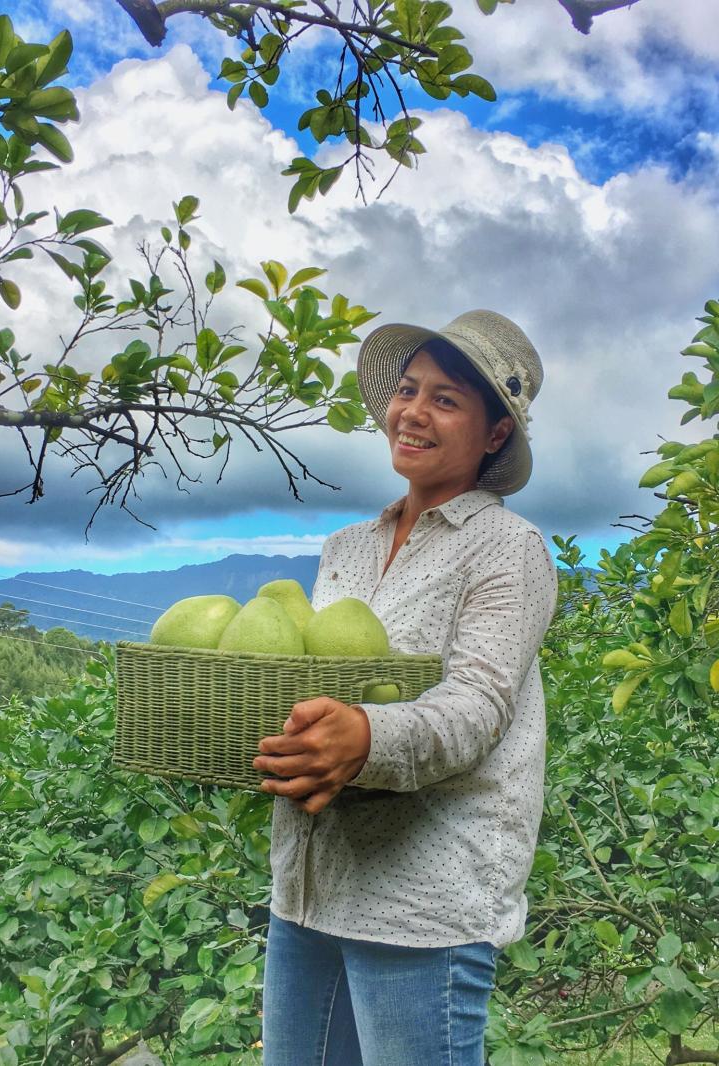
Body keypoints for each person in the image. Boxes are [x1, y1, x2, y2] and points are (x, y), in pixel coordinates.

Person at [252, 310, 559, 1066]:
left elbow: (476, 708)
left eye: (447, 399)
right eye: (409, 390)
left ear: (494, 435)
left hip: (425, 902)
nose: (413, 413)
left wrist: (367, 736)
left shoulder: (508, 549)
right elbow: (312, 679)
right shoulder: (345, 550)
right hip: (308, 890)